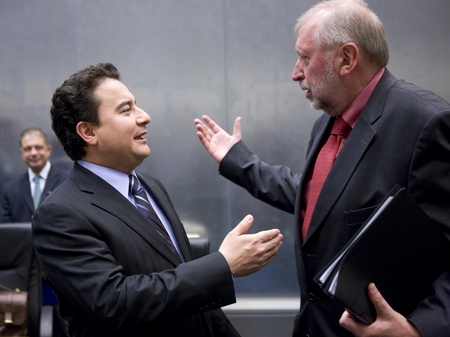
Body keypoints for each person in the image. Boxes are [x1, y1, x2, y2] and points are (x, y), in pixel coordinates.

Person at [194, 0, 450, 336]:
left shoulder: (424, 123)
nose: (295, 72)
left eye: (304, 57)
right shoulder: (328, 123)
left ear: (346, 58)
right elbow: (322, 200)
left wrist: (421, 329)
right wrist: (238, 160)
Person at [31, 62, 283, 337]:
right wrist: (223, 265)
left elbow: (193, 297)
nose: (145, 117)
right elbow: (115, 304)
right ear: (88, 132)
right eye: (126, 110)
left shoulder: (151, 188)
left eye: (136, 106)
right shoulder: (59, 213)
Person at [1, 127, 69, 223]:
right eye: (28, 149)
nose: (33, 153)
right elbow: (6, 230)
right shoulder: (10, 189)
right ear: (21, 153)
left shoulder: (67, 181)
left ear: (48, 150)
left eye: (38, 147)